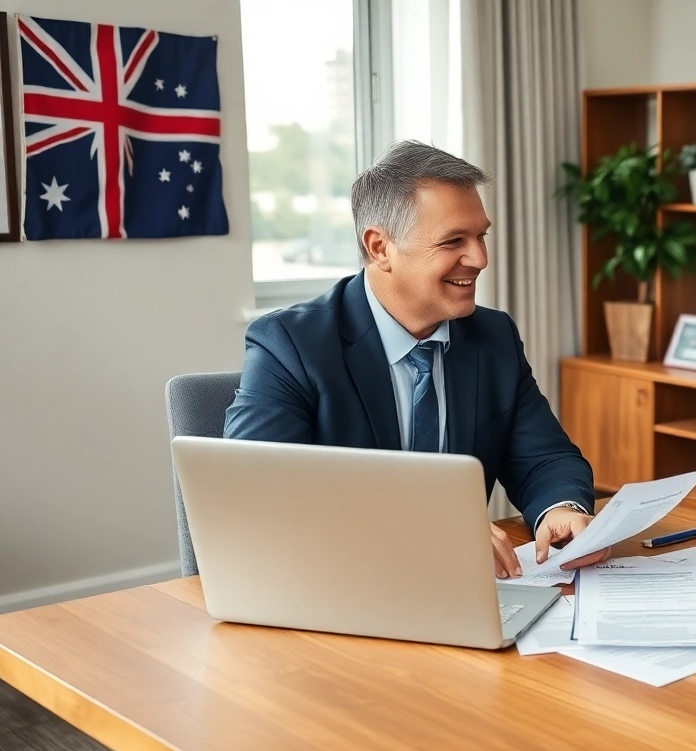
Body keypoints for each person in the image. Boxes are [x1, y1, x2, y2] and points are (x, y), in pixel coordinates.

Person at [224, 141, 607, 579]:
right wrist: (430, 527)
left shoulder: (493, 337)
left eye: (480, 236)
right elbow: (258, 490)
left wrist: (563, 508)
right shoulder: (291, 343)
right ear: (380, 248)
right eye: (453, 241)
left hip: (456, 589)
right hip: (337, 582)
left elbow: (545, 458)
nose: (479, 259)